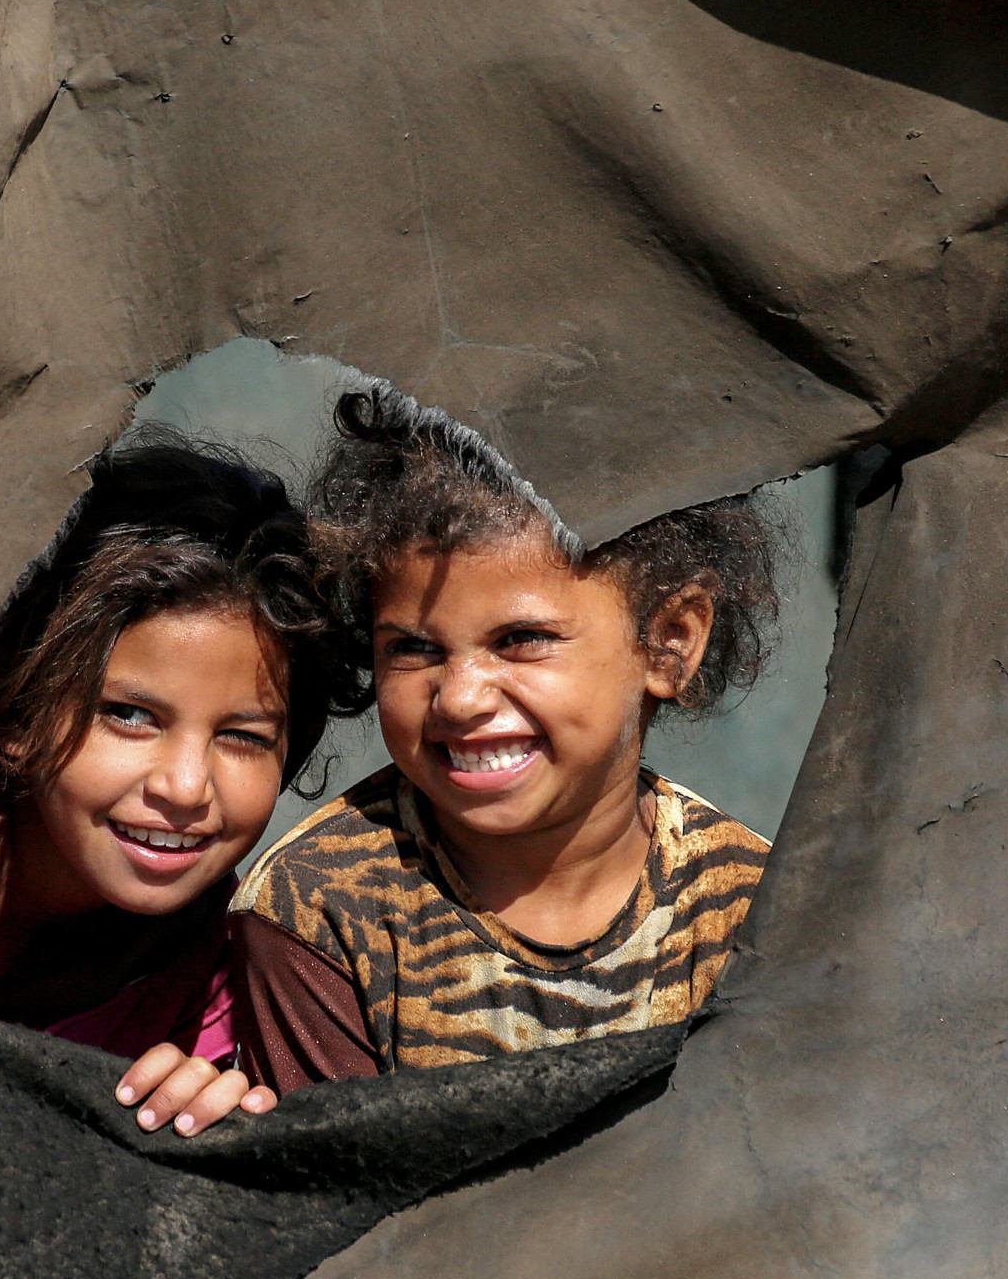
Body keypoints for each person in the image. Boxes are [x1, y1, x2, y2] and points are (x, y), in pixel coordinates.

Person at [215, 383, 782, 1096]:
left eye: (521, 641)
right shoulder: (320, 911)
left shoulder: (757, 908)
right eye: (415, 649)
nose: (460, 698)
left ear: (668, 643)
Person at [0, 433, 354, 1136]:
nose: (186, 787)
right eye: (130, 716)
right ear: (16, 703)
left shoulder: (222, 991)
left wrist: (206, 1114)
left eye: (243, 737)